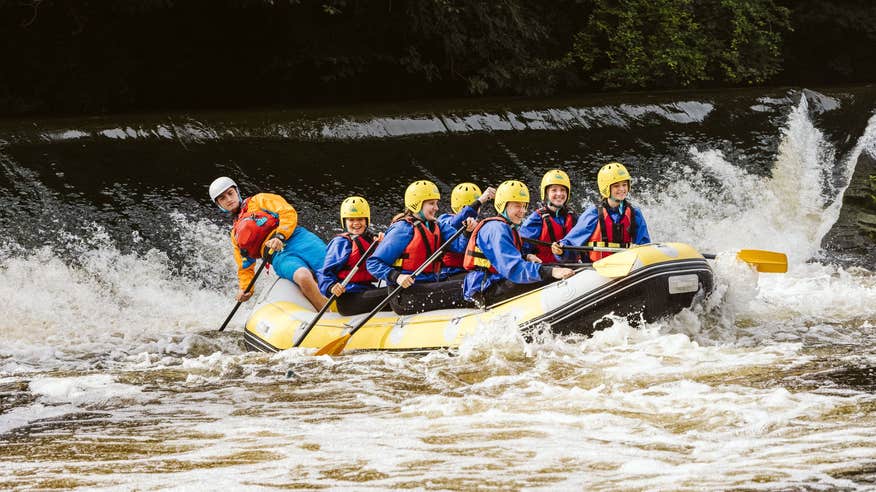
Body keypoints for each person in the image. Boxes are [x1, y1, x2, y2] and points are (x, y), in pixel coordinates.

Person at [209, 176, 328, 310]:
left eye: (230, 193)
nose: (229, 199)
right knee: (303, 276)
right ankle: (327, 313)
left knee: (330, 266)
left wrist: (280, 235)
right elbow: (245, 265)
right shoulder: (235, 235)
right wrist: (245, 288)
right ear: (219, 205)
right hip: (278, 256)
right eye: (222, 198)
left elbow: (287, 211)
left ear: (237, 191)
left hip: (298, 238)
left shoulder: (259, 200)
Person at [366, 180, 473, 315]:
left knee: (474, 278)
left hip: (430, 283)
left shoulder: (437, 225)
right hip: (405, 294)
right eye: (431, 204)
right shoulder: (402, 229)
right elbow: (373, 263)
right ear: (417, 205)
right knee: (469, 285)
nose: (436, 208)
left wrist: (467, 232)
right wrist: (396, 276)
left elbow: (460, 247)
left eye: (436, 203)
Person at [463, 180, 575, 306]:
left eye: (524, 206)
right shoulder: (496, 229)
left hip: (495, 280)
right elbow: (513, 268)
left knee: (551, 270)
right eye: (517, 205)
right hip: (485, 288)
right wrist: (551, 272)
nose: (522, 211)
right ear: (503, 205)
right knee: (550, 274)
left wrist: (526, 256)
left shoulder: (506, 226)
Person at [551, 162, 651, 262]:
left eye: (624, 185)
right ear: (606, 188)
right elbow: (571, 242)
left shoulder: (635, 213)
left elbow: (644, 245)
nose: (622, 189)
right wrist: (561, 250)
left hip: (628, 267)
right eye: (616, 186)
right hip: (597, 269)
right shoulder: (593, 214)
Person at [317, 196, 386, 315]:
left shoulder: (372, 240)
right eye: (351, 220)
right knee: (395, 293)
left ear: (367, 220)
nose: (356, 223)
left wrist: (384, 245)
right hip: (349, 299)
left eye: (360, 219)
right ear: (345, 221)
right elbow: (323, 273)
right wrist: (331, 287)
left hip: (367, 291)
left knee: (396, 289)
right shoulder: (341, 243)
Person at [439, 182, 496, 279]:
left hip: (469, 271)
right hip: (450, 273)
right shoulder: (444, 220)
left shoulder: (478, 224)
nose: (478, 208)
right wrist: (479, 201)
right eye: (476, 205)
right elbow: (455, 223)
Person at [520, 169, 578, 263]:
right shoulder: (536, 219)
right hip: (547, 269)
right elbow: (522, 249)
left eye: (562, 190)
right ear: (546, 193)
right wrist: (528, 256)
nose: (559, 194)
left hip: (573, 266)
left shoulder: (573, 216)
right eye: (554, 190)